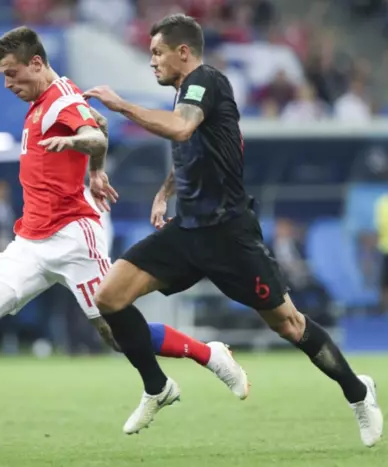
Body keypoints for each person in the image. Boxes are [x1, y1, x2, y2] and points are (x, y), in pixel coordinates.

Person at [0, 25, 247, 440]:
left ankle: (209, 355)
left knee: (116, 334)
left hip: (73, 238)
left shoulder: (60, 98)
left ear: (36, 63)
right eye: (3, 76)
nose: (7, 84)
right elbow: (98, 125)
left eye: (12, 74)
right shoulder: (45, 100)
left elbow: (94, 133)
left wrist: (84, 145)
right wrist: (95, 170)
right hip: (30, 240)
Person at [84, 14, 383, 446]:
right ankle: (157, 386)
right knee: (109, 297)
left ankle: (358, 392)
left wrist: (120, 105)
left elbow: (182, 129)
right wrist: (165, 192)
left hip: (229, 235)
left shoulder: (205, 80)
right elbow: (194, 150)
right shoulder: (186, 94)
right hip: (187, 231)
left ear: (183, 52)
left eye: (157, 52)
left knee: (290, 325)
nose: (152, 61)